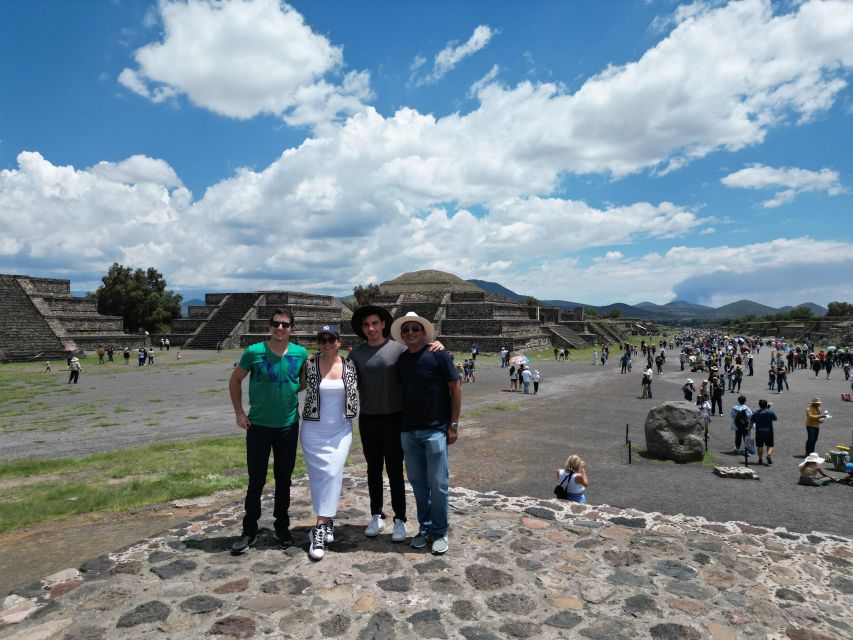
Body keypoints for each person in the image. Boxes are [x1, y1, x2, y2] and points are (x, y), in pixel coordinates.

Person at [348, 305, 445, 543]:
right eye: (365, 324)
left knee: (394, 471)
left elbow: (420, 354)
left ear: (383, 324)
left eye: (374, 323)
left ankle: (400, 518)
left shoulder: (400, 350)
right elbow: (349, 383)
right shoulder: (356, 355)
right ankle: (376, 514)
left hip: (394, 417)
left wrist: (439, 345)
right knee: (372, 469)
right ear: (362, 328)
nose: (370, 328)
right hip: (369, 417)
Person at [228, 309, 307, 555]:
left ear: (292, 329)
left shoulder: (300, 353)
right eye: (276, 324)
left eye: (285, 325)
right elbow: (235, 380)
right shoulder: (254, 352)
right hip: (259, 426)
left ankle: (282, 527)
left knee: (284, 480)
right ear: (269, 326)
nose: (280, 329)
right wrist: (240, 413)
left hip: (288, 425)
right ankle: (249, 529)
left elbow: (302, 382)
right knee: (256, 480)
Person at [391, 311, 461, 555]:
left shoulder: (438, 354)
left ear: (424, 332)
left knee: (438, 484)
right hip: (408, 432)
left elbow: (455, 386)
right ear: (402, 334)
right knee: (419, 485)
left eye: (415, 329)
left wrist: (453, 425)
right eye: (406, 329)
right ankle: (426, 528)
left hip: (435, 430)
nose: (410, 332)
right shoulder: (401, 360)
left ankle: (440, 531)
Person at [300, 325, 356, 561]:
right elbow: (294, 384)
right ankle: (327, 521)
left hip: (341, 431)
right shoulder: (309, 365)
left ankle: (319, 527)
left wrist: (436, 346)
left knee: (333, 472)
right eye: (322, 339)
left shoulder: (351, 365)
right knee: (319, 477)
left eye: (330, 339)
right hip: (313, 431)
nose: (326, 343)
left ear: (339, 342)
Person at [750, 399, 777, 465]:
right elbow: (775, 419)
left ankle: (760, 459)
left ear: (759, 405)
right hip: (769, 432)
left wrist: (748, 430)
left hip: (759, 432)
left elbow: (751, 423)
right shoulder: (770, 412)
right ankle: (768, 454)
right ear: (766, 405)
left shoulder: (756, 413)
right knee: (770, 445)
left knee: (760, 446)